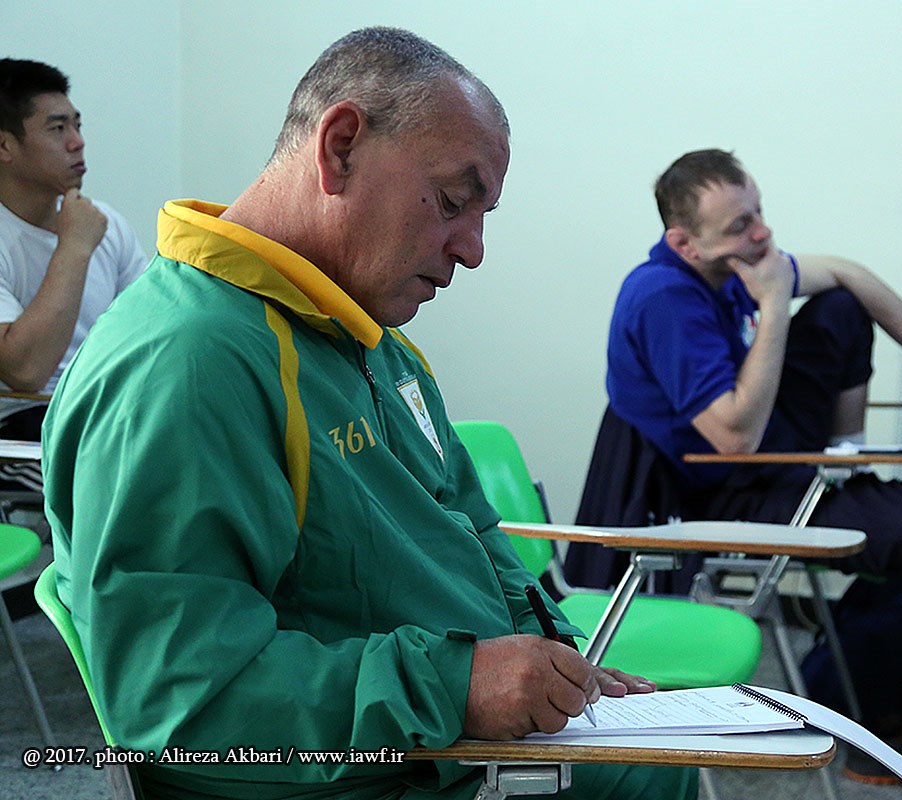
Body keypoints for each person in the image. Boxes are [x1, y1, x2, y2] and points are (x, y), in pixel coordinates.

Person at [42, 28, 695, 800]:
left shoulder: (371, 343)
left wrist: (550, 656)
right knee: (653, 778)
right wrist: (457, 686)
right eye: (452, 202)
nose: (473, 250)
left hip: (436, 736)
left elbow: (470, 526)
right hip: (363, 772)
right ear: (340, 147)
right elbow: (182, 701)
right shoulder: (187, 363)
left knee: (667, 754)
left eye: (483, 214)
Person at [568, 148, 902, 791]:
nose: (763, 234)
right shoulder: (663, 296)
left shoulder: (731, 267)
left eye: (759, 213)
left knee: (842, 305)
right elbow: (735, 438)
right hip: (708, 491)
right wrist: (775, 301)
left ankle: (845, 472)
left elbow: (850, 273)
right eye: (740, 226)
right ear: (685, 243)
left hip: (760, 458)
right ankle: (877, 728)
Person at [0, 59, 146, 492]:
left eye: (77, 125)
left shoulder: (105, 223)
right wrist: (74, 247)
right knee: (115, 489)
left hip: (104, 412)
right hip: (21, 430)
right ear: (4, 146)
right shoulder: (83, 231)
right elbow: (26, 371)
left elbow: (149, 331)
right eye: (57, 128)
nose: (77, 142)